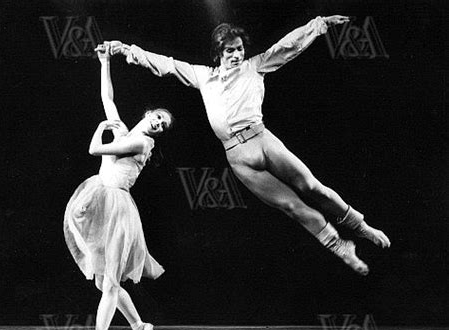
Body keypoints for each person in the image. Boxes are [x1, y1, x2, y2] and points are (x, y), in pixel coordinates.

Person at [104, 15, 390, 276]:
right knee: (291, 205)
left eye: (239, 49)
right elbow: (166, 65)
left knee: (311, 187)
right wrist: (127, 50)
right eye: (230, 50)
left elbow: (287, 47)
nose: (237, 54)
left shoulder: (255, 66)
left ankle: (360, 226)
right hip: (238, 156)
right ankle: (341, 247)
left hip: (262, 140)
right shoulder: (203, 76)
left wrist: (318, 25)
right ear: (219, 53)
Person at [63, 43, 173, 330]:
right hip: (103, 200)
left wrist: (100, 129)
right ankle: (141, 328)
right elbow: (107, 98)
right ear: (149, 113)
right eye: (159, 117)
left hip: (118, 210)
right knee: (104, 283)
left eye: (163, 125)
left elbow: (95, 151)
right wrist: (104, 61)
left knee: (110, 282)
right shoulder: (125, 131)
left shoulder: (141, 142)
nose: (159, 124)